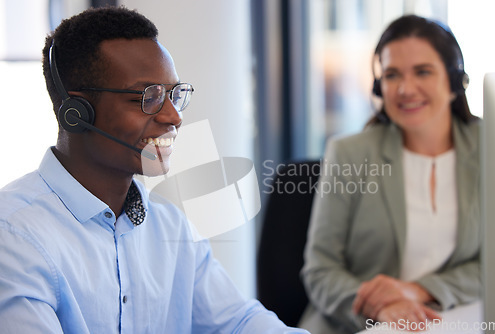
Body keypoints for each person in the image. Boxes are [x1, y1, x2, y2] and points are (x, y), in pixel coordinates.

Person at [0, 6, 310, 334]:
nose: (174, 116)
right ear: (77, 113)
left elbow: (237, 321)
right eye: (148, 97)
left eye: (174, 95)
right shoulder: (14, 235)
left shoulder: (169, 225)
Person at [298, 14, 480, 333]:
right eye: (393, 75)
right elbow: (320, 270)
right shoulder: (349, 154)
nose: (406, 89)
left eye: (422, 71)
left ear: (454, 83)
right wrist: (382, 308)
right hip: (357, 325)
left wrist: (420, 290)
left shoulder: (490, 148)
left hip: (452, 318)